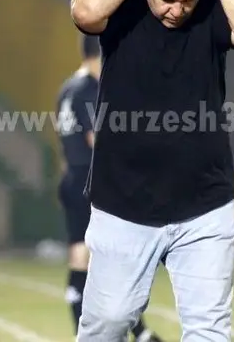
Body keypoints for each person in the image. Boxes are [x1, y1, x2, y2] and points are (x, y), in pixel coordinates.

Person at [69, 0, 234, 341]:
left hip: (205, 207)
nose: (177, 11)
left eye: (187, 0)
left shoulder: (211, 12)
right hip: (123, 205)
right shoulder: (123, 9)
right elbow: (83, 11)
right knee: (108, 323)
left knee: (208, 331)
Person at [55, 34, 164, 342]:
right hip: (93, 184)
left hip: (73, 179)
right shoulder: (90, 89)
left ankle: (135, 332)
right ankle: (127, 333)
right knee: (114, 259)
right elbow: (99, 140)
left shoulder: (67, 89)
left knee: (82, 258)